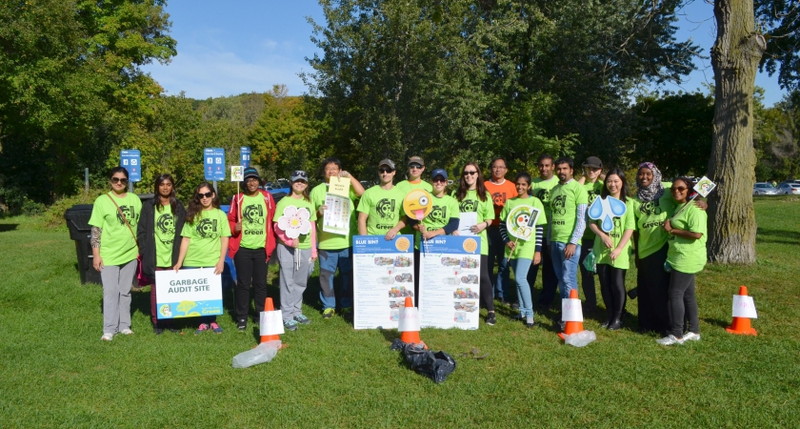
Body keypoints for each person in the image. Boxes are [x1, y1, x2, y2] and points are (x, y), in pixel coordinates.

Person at [90, 167, 142, 341]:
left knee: (125, 291)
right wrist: (96, 254)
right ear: (110, 181)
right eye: (115, 179)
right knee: (111, 291)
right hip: (109, 254)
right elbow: (96, 230)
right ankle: (109, 329)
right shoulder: (102, 201)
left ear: (127, 182)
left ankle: (124, 325)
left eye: (123, 180)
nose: (119, 183)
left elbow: (140, 226)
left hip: (130, 253)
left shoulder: (135, 199)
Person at [310, 158, 365, 319]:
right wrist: (319, 212)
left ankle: (346, 304)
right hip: (327, 243)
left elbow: (362, 194)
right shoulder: (317, 191)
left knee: (347, 276)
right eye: (328, 169)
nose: (331, 171)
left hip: (347, 242)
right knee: (326, 276)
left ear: (340, 170)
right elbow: (309, 216)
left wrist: (350, 177)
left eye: (335, 168)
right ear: (323, 172)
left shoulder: (347, 186)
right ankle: (329, 306)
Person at [174, 182, 231, 334]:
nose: (204, 198)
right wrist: (179, 262)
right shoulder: (192, 214)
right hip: (192, 260)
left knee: (212, 293)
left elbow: (224, 238)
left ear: (213, 195)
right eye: (201, 195)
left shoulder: (220, 215)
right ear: (197, 198)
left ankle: (212, 320)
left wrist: (221, 261)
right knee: (197, 294)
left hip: (212, 261)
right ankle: (201, 322)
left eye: (207, 194)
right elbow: (186, 239)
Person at [657, 177, 707, 345]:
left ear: (689, 190)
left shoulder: (695, 209)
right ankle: (694, 330)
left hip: (688, 257)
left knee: (675, 294)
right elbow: (659, 183)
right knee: (688, 295)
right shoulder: (679, 206)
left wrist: (672, 230)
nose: (676, 191)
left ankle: (676, 333)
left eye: (681, 189)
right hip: (679, 255)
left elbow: (696, 234)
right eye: (673, 189)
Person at [227, 167, 276, 331]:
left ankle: (260, 315)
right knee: (243, 284)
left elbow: (274, 218)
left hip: (261, 247)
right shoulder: (238, 198)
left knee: (261, 283)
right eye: (248, 180)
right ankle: (242, 316)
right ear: (244, 183)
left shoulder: (267, 198)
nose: (251, 182)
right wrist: (235, 227)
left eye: (254, 179)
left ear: (259, 181)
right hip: (243, 248)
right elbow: (230, 220)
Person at [138, 173, 185, 334]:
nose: (165, 187)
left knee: (172, 290)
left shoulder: (178, 206)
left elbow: (185, 231)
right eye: (162, 184)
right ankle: (157, 321)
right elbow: (142, 230)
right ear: (157, 187)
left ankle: (170, 321)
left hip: (173, 255)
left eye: (168, 184)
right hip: (155, 254)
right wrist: (144, 250)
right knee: (156, 289)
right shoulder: (149, 206)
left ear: (172, 187)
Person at [588, 168, 635, 330]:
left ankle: (618, 318)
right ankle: (609, 315)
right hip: (601, 249)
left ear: (622, 182)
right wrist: (602, 235)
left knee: (617, 283)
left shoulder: (629, 203)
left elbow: (629, 228)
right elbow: (591, 223)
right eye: (609, 181)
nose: (612, 184)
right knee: (604, 283)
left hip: (619, 251)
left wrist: (619, 248)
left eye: (616, 181)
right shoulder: (600, 201)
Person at [498, 173, 547, 327]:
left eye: (523, 184)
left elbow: (539, 228)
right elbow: (502, 225)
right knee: (519, 281)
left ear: (529, 186)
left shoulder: (535, 202)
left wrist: (538, 251)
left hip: (527, 246)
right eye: (518, 184)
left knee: (520, 278)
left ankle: (530, 315)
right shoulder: (510, 203)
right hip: (513, 247)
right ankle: (522, 312)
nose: (520, 187)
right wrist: (507, 241)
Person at [631, 162, 674, 334]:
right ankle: (646, 324)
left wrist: (701, 202)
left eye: (648, 174)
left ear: (655, 174)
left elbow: (689, 193)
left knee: (663, 289)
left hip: (664, 246)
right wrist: (636, 255)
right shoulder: (634, 200)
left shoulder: (668, 190)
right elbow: (634, 230)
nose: (644, 177)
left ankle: (665, 325)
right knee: (646, 289)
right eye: (641, 174)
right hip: (644, 250)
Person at [274, 170, 318, 331]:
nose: (300, 183)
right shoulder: (283, 202)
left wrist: (313, 250)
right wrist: (289, 241)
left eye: (303, 181)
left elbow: (312, 227)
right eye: (297, 181)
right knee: (287, 281)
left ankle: (296, 311)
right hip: (286, 247)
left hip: (305, 248)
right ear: (291, 183)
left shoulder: (309, 202)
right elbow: (276, 226)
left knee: (300, 281)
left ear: (306, 184)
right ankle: (286, 315)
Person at [454, 162, 497, 325]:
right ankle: (462, 305)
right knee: (460, 274)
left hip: (479, 241)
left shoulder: (484, 195)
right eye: (466, 173)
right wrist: (453, 229)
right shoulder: (455, 194)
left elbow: (490, 218)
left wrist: (482, 225)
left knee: (483, 276)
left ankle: (491, 311)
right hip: (459, 241)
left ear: (478, 174)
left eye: (472, 172)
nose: (469, 175)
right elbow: (452, 217)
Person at [549, 157, 588, 325]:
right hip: (555, 241)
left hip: (569, 243)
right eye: (558, 169)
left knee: (568, 278)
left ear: (571, 170)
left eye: (564, 169)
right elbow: (552, 216)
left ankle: (571, 318)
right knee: (561, 278)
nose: (561, 172)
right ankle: (566, 312)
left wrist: (573, 242)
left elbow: (582, 219)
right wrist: (549, 239)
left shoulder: (578, 189)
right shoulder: (554, 190)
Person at [527, 154, 559, 309]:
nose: (544, 168)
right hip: (535, 232)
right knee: (531, 266)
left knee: (550, 269)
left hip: (552, 232)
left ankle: (546, 300)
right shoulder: (532, 183)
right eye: (541, 165)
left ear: (553, 167)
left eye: (547, 165)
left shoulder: (558, 182)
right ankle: (526, 296)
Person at [484, 157, 518, 305]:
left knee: (504, 263)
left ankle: (502, 294)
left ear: (506, 170)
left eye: (500, 167)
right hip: (488, 229)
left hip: (505, 229)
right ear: (491, 169)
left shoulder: (511, 186)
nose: (497, 170)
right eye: (494, 167)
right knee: (489, 263)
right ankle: (487, 294)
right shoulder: (484, 185)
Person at [578, 156, 604, 309]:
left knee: (601, 271)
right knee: (586, 271)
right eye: (589, 168)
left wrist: (601, 175)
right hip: (585, 235)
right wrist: (584, 176)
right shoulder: (582, 185)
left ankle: (606, 301)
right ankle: (590, 302)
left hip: (600, 234)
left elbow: (616, 184)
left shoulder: (604, 185)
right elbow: (574, 188)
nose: (591, 171)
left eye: (595, 169)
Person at [357, 159, 405, 237]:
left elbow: (405, 217)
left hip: (394, 239)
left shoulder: (401, 194)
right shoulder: (369, 193)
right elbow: (361, 219)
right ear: (378, 172)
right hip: (373, 239)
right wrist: (365, 241)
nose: (385, 173)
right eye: (382, 170)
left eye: (388, 170)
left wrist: (395, 229)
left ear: (394, 172)